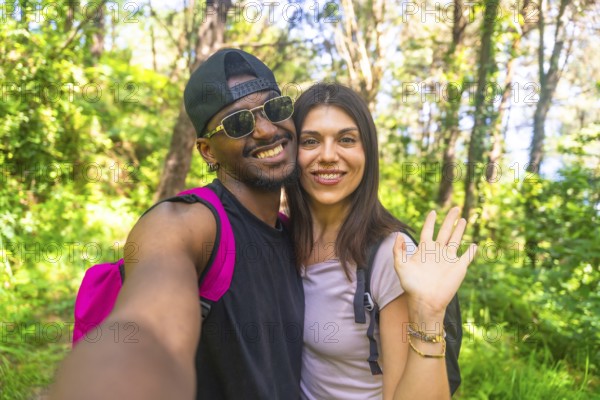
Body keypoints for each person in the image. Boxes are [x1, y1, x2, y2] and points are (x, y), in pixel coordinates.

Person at [49, 49, 304, 399]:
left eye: (274, 109)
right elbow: (146, 329)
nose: (264, 130)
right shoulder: (187, 224)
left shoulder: (294, 234)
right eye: (239, 123)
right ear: (207, 151)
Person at [284, 83, 478, 399]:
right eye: (311, 141)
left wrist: (428, 317)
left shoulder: (391, 256)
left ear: (368, 153)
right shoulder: (285, 237)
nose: (328, 156)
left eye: (346, 140)